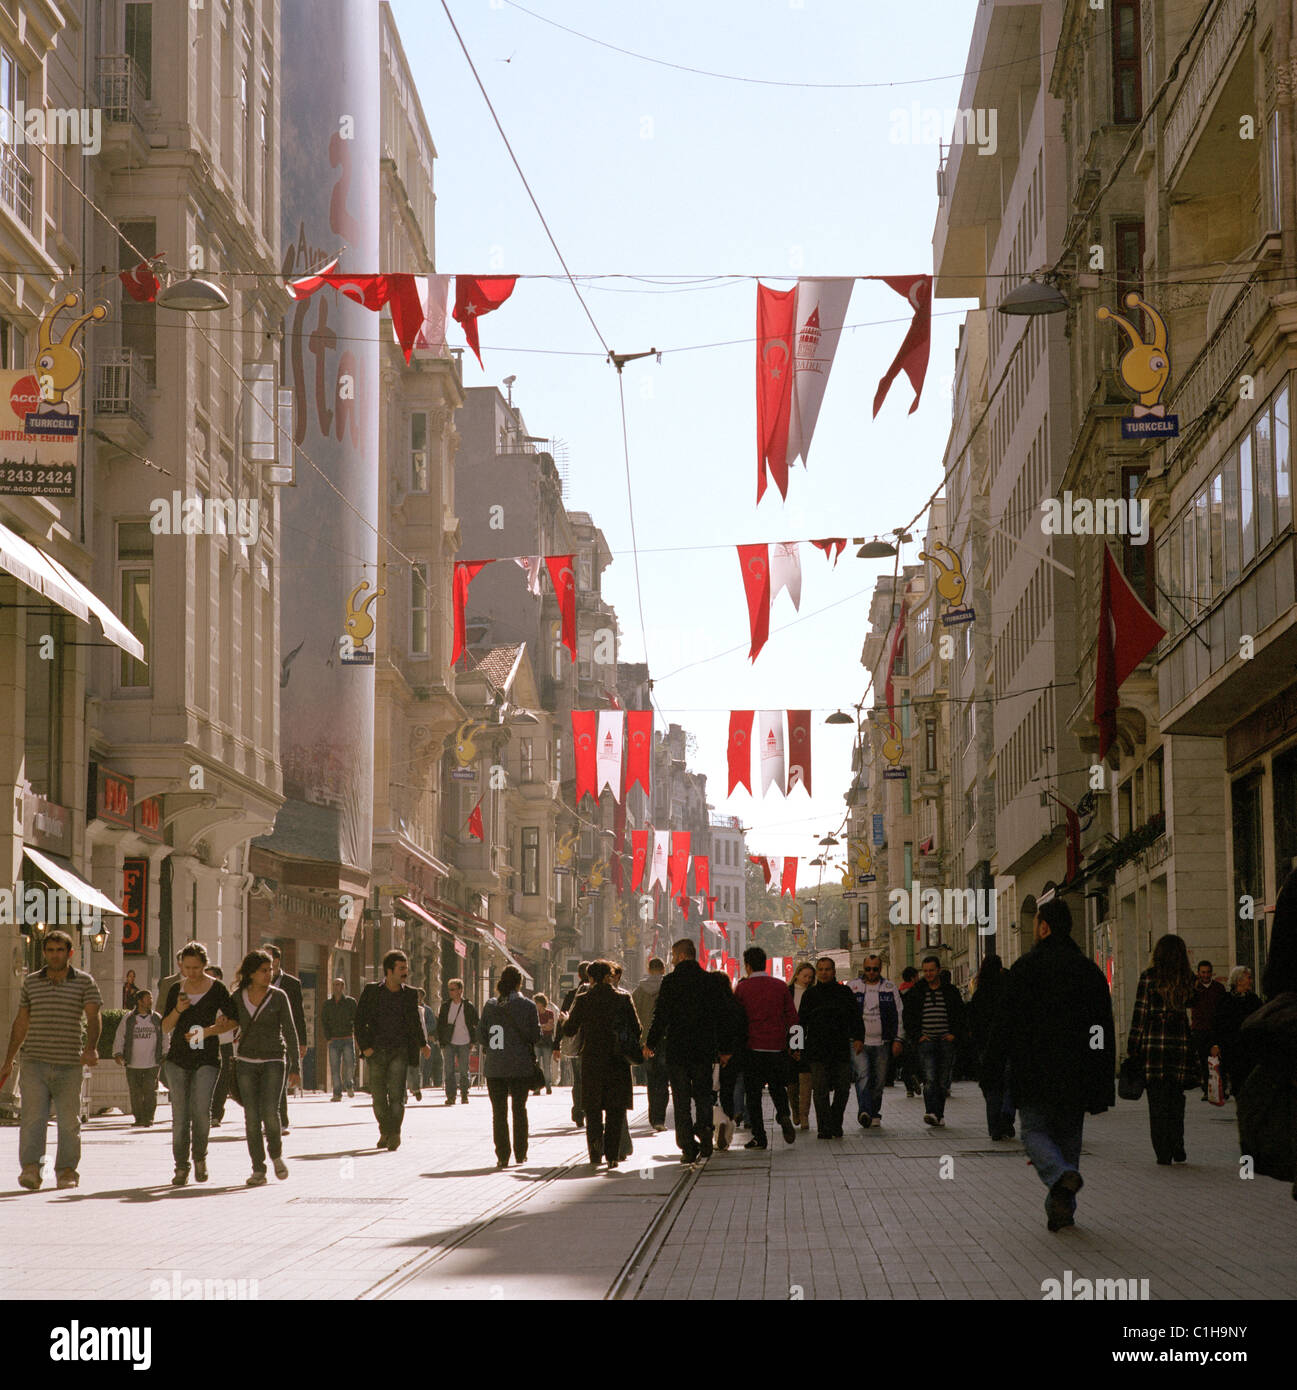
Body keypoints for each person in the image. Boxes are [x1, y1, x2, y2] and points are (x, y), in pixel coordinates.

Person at [983, 896, 1115, 1231]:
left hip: (1034, 1071)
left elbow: (1005, 1023)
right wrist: (1101, 1077)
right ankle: (1062, 1207)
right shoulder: (1089, 972)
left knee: (1034, 1132)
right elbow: (1100, 1029)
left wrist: (992, 1065)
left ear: (1044, 927)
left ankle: (1059, 1177)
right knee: (1069, 1140)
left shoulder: (1025, 969)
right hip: (1077, 1072)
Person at [2, 931, 102, 1190]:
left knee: (69, 1121)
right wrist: (9, 1059)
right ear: (44, 953)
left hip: (69, 1061)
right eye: (50, 950)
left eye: (60, 950)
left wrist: (91, 1048)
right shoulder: (32, 982)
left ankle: (67, 1170)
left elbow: (93, 1017)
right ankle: (32, 1169)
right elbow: (21, 1021)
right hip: (34, 1060)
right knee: (33, 1118)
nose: (55, 955)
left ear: (70, 953)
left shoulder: (85, 982)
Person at [215, 949, 301, 1185]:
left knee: (270, 1113)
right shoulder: (237, 996)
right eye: (264, 970)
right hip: (246, 1062)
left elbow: (291, 1032)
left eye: (270, 970)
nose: (268, 974)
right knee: (251, 1117)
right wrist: (220, 1023)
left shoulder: (279, 996)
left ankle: (276, 1155)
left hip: (274, 1060)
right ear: (251, 973)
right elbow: (228, 1021)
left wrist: (296, 1067)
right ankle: (258, 1169)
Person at [645, 938, 732, 1164]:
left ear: (682, 956)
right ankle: (704, 1132)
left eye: (673, 955)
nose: (672, 960)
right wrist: (724, 1049)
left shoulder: (671, 982)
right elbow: (722, 1017)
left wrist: (651, 1043)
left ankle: (687, 1146)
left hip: (678, 1051)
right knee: (703, 1095)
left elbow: (660, 1016)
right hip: (704, 1050)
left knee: (681, 1100)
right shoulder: (710, 981)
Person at [159, 942, 231, 1186]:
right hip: (178, 1059)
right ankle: (181, 1167)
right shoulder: (176, 990)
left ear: (205, 965)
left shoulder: (218, 988)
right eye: (187, 967)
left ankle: (200, 1157)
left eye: (197, 968)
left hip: (207, 1058)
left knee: (201, 1112)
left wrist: (208, 1032)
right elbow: (166, 1027)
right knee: (180, 1117)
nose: (191, 973)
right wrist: (178, 1010)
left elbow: (234, 1020)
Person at [1127, 934, 1198, 1165]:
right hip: (1179, 1043)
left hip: (1154, 1044)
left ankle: (1163, 1152)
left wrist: (1133, 1044)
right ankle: (1178, 1144)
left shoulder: (1148, 978)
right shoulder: (1187, 978)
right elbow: (1192, 1003)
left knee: (1156, 1102)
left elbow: (1141, 1013)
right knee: (1176, 1098)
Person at [564, 960, 642, 1169]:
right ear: (609, 976)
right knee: (615, 1109)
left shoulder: (583, 999)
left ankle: (595, 1154)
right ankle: (613, 1156)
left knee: (593, 1109)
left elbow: (570, 1030)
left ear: (590, 978)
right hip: (617, 1061)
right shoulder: (623, 998)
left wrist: (565, 1020)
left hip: (592, 1061)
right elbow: (637, 1029)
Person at [354, 950, 431, 1150]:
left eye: (406, 968)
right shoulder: (372, 991)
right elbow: (359, 1021)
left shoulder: (410, 994)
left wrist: (423, 1044)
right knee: (378, 1098)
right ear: (389, 971)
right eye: (402, 968)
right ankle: (385, 1131)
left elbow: (414, 1022)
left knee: (397, 1096)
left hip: (400, 1051)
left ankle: (394, 1133)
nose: (406, 972)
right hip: (376, 1052)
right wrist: (365, 1047)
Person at [733, 946, 798, 1148]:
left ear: (748, 965)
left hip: (752, 1048)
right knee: (778, 1088)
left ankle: (760, 1137)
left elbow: (737, 1020)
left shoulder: (742, 989)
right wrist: (796, 1046)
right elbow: (793, 1017)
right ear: (766, 963)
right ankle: (784, 1114)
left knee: (753, 1095)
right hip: (777, 1047)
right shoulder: (780, 986)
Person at [480, 966, 541, 1167]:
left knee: (498, 1113)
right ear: (519, 983)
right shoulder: (528, 1006)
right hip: (520, 1066)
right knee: (519, 1109)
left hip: (495, 1067)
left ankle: (502, 1155)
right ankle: (521, 1152)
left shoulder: (490, 1006)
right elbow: (535, 1037)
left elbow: (481, 1036)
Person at [796, 956, 863, 1138]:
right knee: (820, 1090)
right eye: (821, 969)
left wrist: (858, 1038)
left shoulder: (844, 992)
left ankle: (835, 1120)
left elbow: (855, 1017)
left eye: (827, 969)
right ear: (818, 972)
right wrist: (796, 1046)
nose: (824, 972)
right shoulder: (810, 995)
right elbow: (801, 1022)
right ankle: (824, 1127)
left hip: (840, 1048)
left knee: (843, 1088)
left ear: (833, 972)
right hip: (816, 1050)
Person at [901, 956, 965, 1127]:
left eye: (931, 970)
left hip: (946, 1040)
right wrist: (917, 1036)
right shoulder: (917, 991)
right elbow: (908, 1016)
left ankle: (938, 1113)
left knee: (942, 1080)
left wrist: (954, 1034)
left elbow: (960, 1014)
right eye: (926, 971)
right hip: (926, 1040)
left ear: (938, 970)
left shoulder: (950, 991)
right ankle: (931, 1111)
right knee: (930, 1078)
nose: (928, 974)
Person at [846, 955, 905, 1129]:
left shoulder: (889, 988)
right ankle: (864, 1111)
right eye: (868, 969)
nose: (871, 972)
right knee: (863, 1075)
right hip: (859, 1042)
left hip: (883, 1041)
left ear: (880, 969)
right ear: (863, 969)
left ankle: (874, 1112)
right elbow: (847, 1014)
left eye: (875, 969)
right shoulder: (853, 987)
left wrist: (898, 1039)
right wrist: (852, 1036)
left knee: (879, 1081)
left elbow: (899, 1014)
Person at [966, 954, 1015, 1140]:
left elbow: (973, 1022)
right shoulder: (1008, 991)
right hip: (1008, 1044)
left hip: (986, 1047)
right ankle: (1007, 1115)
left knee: (991, 1086)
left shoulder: (980, 994)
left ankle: (994, 1127)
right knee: (1009, 1083)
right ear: (1000, 969)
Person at [262, 945, 308, 1132]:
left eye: (269, 958)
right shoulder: (255, 981)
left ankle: (281, 1120)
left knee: (279, 1078)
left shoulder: (291, 983)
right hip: (262, 1037)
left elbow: (298, 1014)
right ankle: (271, 1119)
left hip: (284, 1038)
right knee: (267, 1081)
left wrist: (301, 1041)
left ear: (277, 960)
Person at [113, 989, 163, 1127]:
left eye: (151, 998)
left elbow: (165, 1036)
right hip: (132, 1062)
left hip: (152, 1062)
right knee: (135, 1093)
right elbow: (120, 1035)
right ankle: (138, 1118)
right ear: (139, 1001)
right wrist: (118, 1053)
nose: (151, 1001)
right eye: (148, 998)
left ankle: (148, 1118)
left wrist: (165, 1053)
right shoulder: (129, 1018)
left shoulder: (157, 1018)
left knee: (150, 1092)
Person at [1211, 966, 1262, 1099]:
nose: (1250, 981)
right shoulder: (1226, 1000)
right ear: (1239, 981)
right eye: (1248, 978)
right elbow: (1218, 1024)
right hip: (1232, 1048)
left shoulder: (1253, 1000)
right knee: (1237, 1080)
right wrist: (1217, 1044)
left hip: (1249, 1048)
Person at [633, 959, 668, 1130]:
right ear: (663, 969)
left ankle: (653, 1116)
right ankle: (660, 1118)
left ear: (649, 969)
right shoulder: (669, 988)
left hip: (645, 1041)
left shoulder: (639, 991)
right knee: (663, 1079)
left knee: (651, 1079)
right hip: (664, 1039)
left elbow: (633, 1016)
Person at [556, 963, 591, 1126]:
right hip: (593, 1044)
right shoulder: (596, 994)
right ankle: (589, 1109)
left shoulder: (571, 995)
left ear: (578, 976)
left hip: (575, 1043)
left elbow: (561, 1020)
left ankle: (578, 1111)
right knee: (591, 1079)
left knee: (578, 1080)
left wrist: (556, 1044)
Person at [436, 978, 479, 1105]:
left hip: (464, 1041)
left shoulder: (468, 1006)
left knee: (464, 1070)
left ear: (460, 990)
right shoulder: (445, 1006)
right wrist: (441, 1041)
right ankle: (451, 1096)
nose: (450, 992)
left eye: (453, 989)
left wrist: (473, 1041)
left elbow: (475, 1023)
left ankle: (464, 1095)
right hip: (449, 1042)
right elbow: (441, 1025)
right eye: (449, 989)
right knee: (448, 1070)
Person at [1190, 959, 1226, 1099]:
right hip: (1199, 1029)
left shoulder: (1218, 988)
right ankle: (1207, 1090)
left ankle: (1220, 1089)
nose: (1205, 975)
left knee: (1218, 1060)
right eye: (1203, 972)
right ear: (1198, 973)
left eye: (1208, 972)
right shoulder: (1194, 989)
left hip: (1215, 1029)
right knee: (1204, 1061)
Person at [206, 965, 236, 1127]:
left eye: (210, 977)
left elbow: (237, 1018)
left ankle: (216, 1113)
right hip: (204, 1042)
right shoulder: (198, 996)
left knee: (222, 1080)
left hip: (224, 1043)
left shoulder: (227, 998)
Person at [786, 962, 815, 1129]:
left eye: (810, 977)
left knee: (806, 1078)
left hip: (808, 1037)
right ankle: (795, 1110)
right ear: (797, 975)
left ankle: (804, 1115)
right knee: (791, 1080)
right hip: (790, 1034)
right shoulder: (787, 992)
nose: (807, 980)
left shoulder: (812, 993)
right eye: (805, 976)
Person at [322, 976, 357, 1101]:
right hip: (334, 1040)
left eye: (339, 985)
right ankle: (337, 1093)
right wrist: (328, 1038)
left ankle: (349, 1083)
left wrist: (354, 1033)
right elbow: (324, 1022)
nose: (337, 987)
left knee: (350, 1064)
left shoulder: (350, 1002)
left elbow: (356, 1019)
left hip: (347, 1038)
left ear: (343, 987)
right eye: (335, 984)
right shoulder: (327, 1004)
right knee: (334, 1067)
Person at [896, 965, 921, 1097]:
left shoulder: (899, 992)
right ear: (913, 977)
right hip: (914, 1028)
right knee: (916, 1056)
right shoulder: (917, 991)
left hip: (901, 1029)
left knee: (905, 1058)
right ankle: (915, 1075)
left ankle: (909, 1088)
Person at [406, 988, 428, 1103]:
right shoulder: (402, 1009)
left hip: (415, 1042)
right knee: (403, 1068)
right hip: (402, 1042)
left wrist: (424, 1043)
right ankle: (403, 1093)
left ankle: (415, 1087)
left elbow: (422, 1026)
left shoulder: (421, 1010)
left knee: (414, 1066)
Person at [534, 993, 558, 1095]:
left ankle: (548, 1087)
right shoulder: (534, 1014)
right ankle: (537, 1087)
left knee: (547, 1066)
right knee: (536, 1065)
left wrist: (540, 1026)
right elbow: (536, 1027)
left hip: (547, 1042)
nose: (536, 1005)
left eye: (537, 1003)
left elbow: (550, 1027)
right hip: (537, 1042)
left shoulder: (549, 1013)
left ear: (542, 1003)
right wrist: (544, 1026)